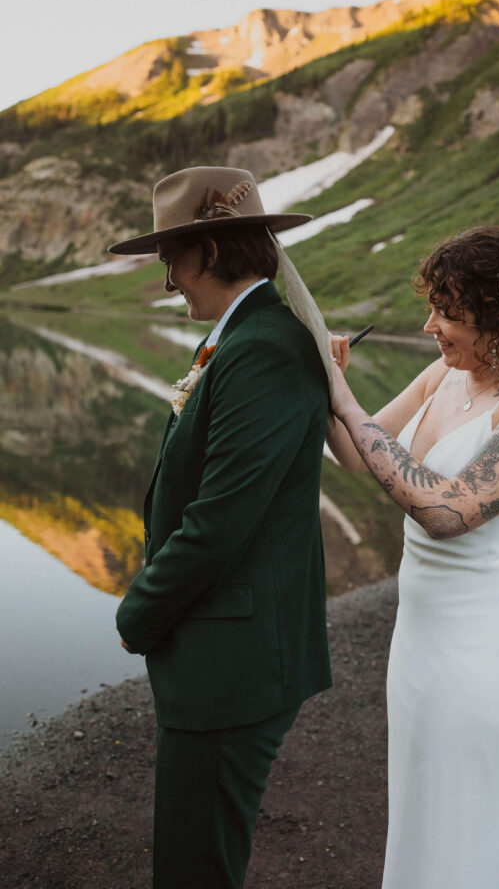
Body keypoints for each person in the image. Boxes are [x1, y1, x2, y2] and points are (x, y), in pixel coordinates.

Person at [328, 226, 499, 889]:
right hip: (423, 636)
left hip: (491, 638)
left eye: (450, 313)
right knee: (428, 808)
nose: (430, 325)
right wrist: (323, 381)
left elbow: (448, 511)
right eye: (434, 307)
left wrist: (348, 406)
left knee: (481, 817)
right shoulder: (443, 372)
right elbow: (354, 451)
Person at [109, 166, 332, 889]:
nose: (168, 276)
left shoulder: (262, 348)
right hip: (228, 648)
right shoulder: (249, 334)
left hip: (231, 661)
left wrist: (138, 612)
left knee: (194, 869)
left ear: (207, 252)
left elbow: (219, 521)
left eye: (171, 255)